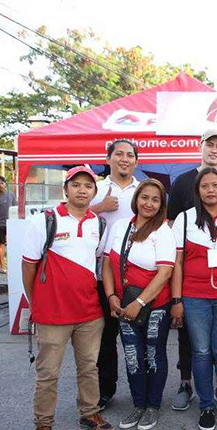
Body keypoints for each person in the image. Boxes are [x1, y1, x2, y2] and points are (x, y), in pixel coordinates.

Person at [22, 166, 115, 430]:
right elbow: (28, 266)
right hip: (52, 313)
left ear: (94, 191)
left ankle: (89, 413)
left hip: (89, 311)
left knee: (89, 367)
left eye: (88, 185)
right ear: (66, 189)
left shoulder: (98, 224)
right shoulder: (45, 221)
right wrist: (36, 304)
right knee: (48, 372)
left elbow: (97, 262)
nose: (83, 189)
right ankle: (43, 423)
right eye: (77, 184)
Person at [166, 129, 217, 412]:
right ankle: (190, 388)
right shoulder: (182, 187)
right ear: (200, 147)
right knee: (196, 346)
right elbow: (171, 231)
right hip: (193, 287)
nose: (214, 149)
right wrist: (176, 298)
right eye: (209, 144)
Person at [101, 179, 176, 430]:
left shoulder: (163, 230)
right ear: (136, 199)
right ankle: (138, 404)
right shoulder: (121, 226)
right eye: (145, 197)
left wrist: (140, 302)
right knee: (133, 356)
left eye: (156, 199)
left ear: (162, 204)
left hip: (155, 306)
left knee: (154, 355)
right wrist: (111, 295)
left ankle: (153, 406)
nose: (149, 203)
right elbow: (108, 263)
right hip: (123, 305)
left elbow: (165, 272)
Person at [90, 139, 141, 411]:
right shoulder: (94, 189)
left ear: (136, 161)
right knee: (105, 337)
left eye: (129, 155)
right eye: (118, 154)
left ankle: (141, 391)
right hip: (98, 275)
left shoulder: (143, 191)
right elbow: (69, 215)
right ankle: (105, 390)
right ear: (108, 158)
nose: (124, 159)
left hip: (134, 275)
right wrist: (99, 207)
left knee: (138, 337)